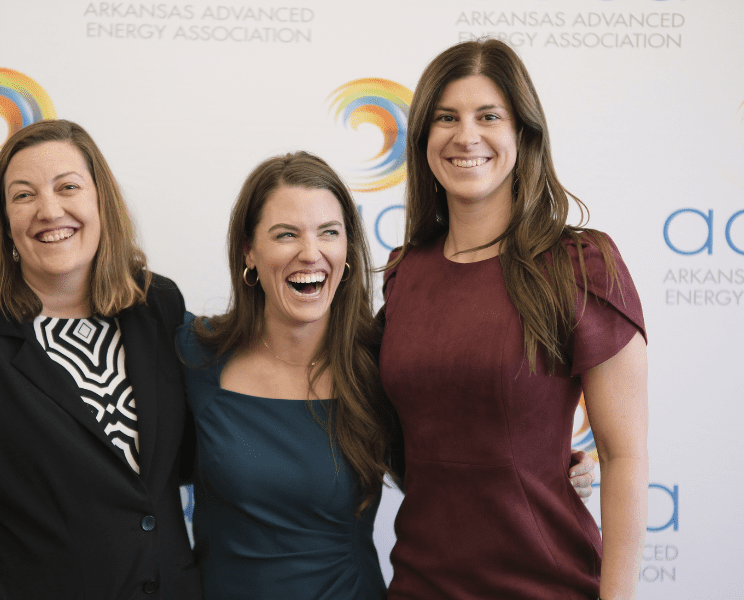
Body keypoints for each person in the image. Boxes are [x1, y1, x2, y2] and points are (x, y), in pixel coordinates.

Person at [176, 152, 596, 600]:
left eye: (329, 233)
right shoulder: (193, 353)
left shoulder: (381, 361)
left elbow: (457, 466)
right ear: (249, 251)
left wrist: (550, 467)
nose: (310, 252)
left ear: (348, 251)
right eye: (286, 235)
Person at [0, 120, 202, 600]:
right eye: (24, 195)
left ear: (101, 202)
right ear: (4, 220)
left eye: (68, 186)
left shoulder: (157, 305)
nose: (49, 211)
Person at [379, 39, 649, 600]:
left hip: (546, 586)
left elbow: (624, 457)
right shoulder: (406, 274)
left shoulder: (581, 265)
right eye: (446, 118)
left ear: (523, 134)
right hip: (419, 585)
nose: (466, 136)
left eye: (488, 116)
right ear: (424, 138)